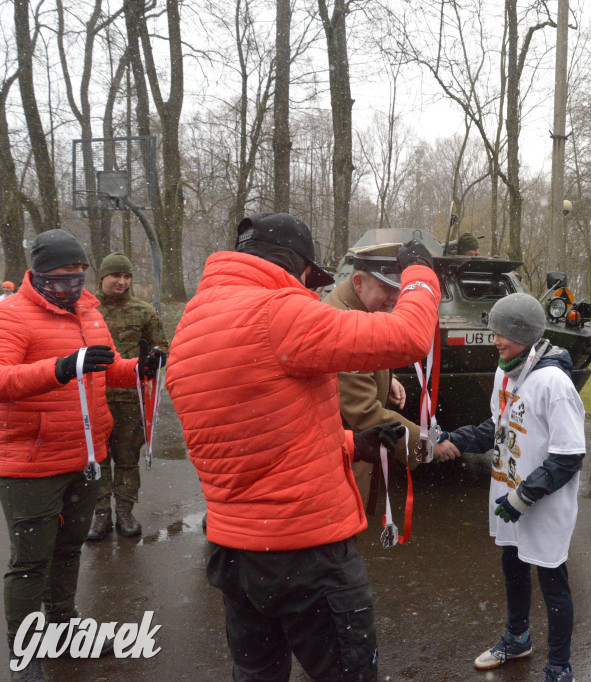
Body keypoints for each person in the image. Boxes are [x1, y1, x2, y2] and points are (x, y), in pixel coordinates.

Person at [165, 213, 441, 682]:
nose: (313, 291)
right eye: (311, 279)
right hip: (305, 553)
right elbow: (408, 337)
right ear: (293, 266)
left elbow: (254, 436)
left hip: (236, 551)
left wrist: (352, 443)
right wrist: (420, 275)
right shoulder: (277, 312)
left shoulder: (192, 323)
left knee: (257, 674)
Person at [0, 229, 165, 679]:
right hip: (30, 462)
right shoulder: (12, 315)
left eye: (78, 275)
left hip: (84, 456)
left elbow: (105, 367)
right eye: (61, 276)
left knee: (69, 550)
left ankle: (63, 628)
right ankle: (26, 651)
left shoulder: (90, 314)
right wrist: (58, 369)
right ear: (37, 273)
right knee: (31, 561)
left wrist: (139, 369)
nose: (72, 285)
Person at [433, 293, 585, 682]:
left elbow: (568, 456)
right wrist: (456, 438)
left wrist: (525, 495)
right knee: (513, 565)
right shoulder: (505, 371)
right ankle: (517, 638)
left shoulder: (554, 383)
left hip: (541, 503)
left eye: (504, 334)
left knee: (553, 581)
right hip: (507, 497)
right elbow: (496, 430)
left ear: (527, 335)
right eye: (494, 331)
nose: (496, 340)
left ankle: (559, 667)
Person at [322, 244, 444, 518]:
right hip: (339, 466)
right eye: (386, 288)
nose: (395, 298)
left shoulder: (354, 310)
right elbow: (365, 414)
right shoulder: (342, 323)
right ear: (358, 282)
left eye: (398, 288)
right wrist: (426, 443)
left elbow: (364, 359)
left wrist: (389, 380)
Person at [88, 253, 167, 540]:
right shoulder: (87, 311)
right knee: (97, 459)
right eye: (115, 276)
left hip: (131, 400)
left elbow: (162, 346)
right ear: (102, 277)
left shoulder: (144, 312)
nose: (121, 282)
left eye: (127, 277)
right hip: (94, 398)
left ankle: (124, 511)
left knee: (127, 458)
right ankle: (99, 514)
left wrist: (157, 356)